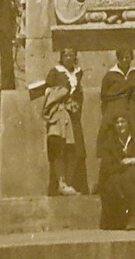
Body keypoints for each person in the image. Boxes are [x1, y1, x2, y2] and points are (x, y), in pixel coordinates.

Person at [43, 47, 88, 195]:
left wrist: (76, 103)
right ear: (61, 57)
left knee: (74, 149)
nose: (69, 57)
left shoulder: (78, 73)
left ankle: (69, 182)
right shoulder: (55, 71)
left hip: (74, 116)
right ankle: (61, 182)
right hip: (60, 115)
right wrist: (63, 97)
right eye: (66, 55)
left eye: (72, 55)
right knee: (59, 148)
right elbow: (48, 92)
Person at [96, 48, 135, 158]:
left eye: (127, 57)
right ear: (117, 58)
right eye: (121, 57)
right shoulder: (110, 75)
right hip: (114, 110)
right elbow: (104, 95)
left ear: (131, 58)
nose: (124, 60)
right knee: (109, 135)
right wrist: (131, 87)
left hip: (130, 110)